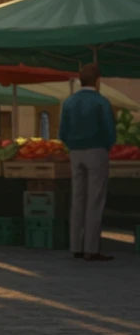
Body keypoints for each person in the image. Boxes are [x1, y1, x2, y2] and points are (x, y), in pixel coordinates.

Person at [60, 63, 117, 262]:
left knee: (77, 199)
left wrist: (72, 145)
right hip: (96, 151)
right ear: (98, 80)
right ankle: (91, 249)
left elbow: (62, 132)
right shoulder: (101, 102)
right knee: (94, 200)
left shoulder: (69, 102)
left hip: (75, 152)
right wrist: (105, 148)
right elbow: (110, 130)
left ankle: (75, 246)